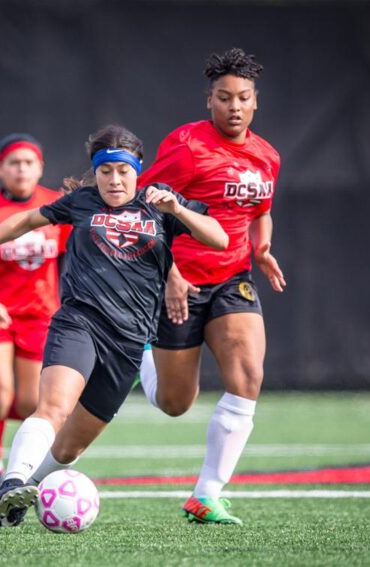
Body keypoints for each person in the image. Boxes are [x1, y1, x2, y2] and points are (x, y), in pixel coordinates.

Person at [0, 124, 228, 526]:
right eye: (105, 170)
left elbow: (220, 240)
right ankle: (11, 481)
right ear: (95, 172)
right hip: (79, 323)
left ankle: (20, 499)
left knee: (70, 447)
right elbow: (25, 221)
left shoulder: (159, 203)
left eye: (123, 170)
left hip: (129, 343)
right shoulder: (82, 202)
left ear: (138, 168)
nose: (114, 179)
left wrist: (177, 210)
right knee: (53, 407)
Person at [137, 48, 286, 525]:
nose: (234, 107)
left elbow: (260, 209)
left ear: (256, 102)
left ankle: (207, 492)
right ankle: (144, 351)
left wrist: (261, 249)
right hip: (178, 280)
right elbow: (142, 209)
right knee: (175, 403)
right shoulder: (186, 147)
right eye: (224, 98)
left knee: (248, 377)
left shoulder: (266, 157)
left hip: (232, 279)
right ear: (209, 101)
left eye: (243, 98)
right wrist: (170, 273)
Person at [0, 133, 70, 489]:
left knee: (30, 402)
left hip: (39, 314)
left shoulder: (55, 205)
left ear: (40, 168)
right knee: (0, 396)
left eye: (29, 162)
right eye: (14, 163)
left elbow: (67, 258)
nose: (22, 169)